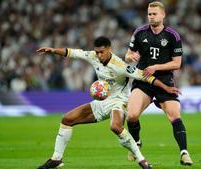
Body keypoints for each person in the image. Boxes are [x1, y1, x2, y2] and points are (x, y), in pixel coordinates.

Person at [36, 36, 182, 169]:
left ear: (109, 50)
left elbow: (145, 77)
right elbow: (73, 52)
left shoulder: (121, 66)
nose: (99, 55)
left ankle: (142, 161)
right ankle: (56, 159)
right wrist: (53, 50)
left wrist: (166, 87)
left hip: (120, 101)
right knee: (67, 119)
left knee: (115, 126)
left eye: (102, 52)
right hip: (103, 101)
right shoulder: (93, 56)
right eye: (97, 52)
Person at [125, 1, 193, 166]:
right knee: (132, 115)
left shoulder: (172, 36)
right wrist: (130, 57)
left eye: (154, 13)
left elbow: (177, 63)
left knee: (175, 115)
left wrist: (156, 67)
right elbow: (128, 54)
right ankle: (136, 141)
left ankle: (184, 152)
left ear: (163, 15)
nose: (151, 16)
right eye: (149, 13)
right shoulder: (140, 32)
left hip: (164, 81)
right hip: (143, 80)